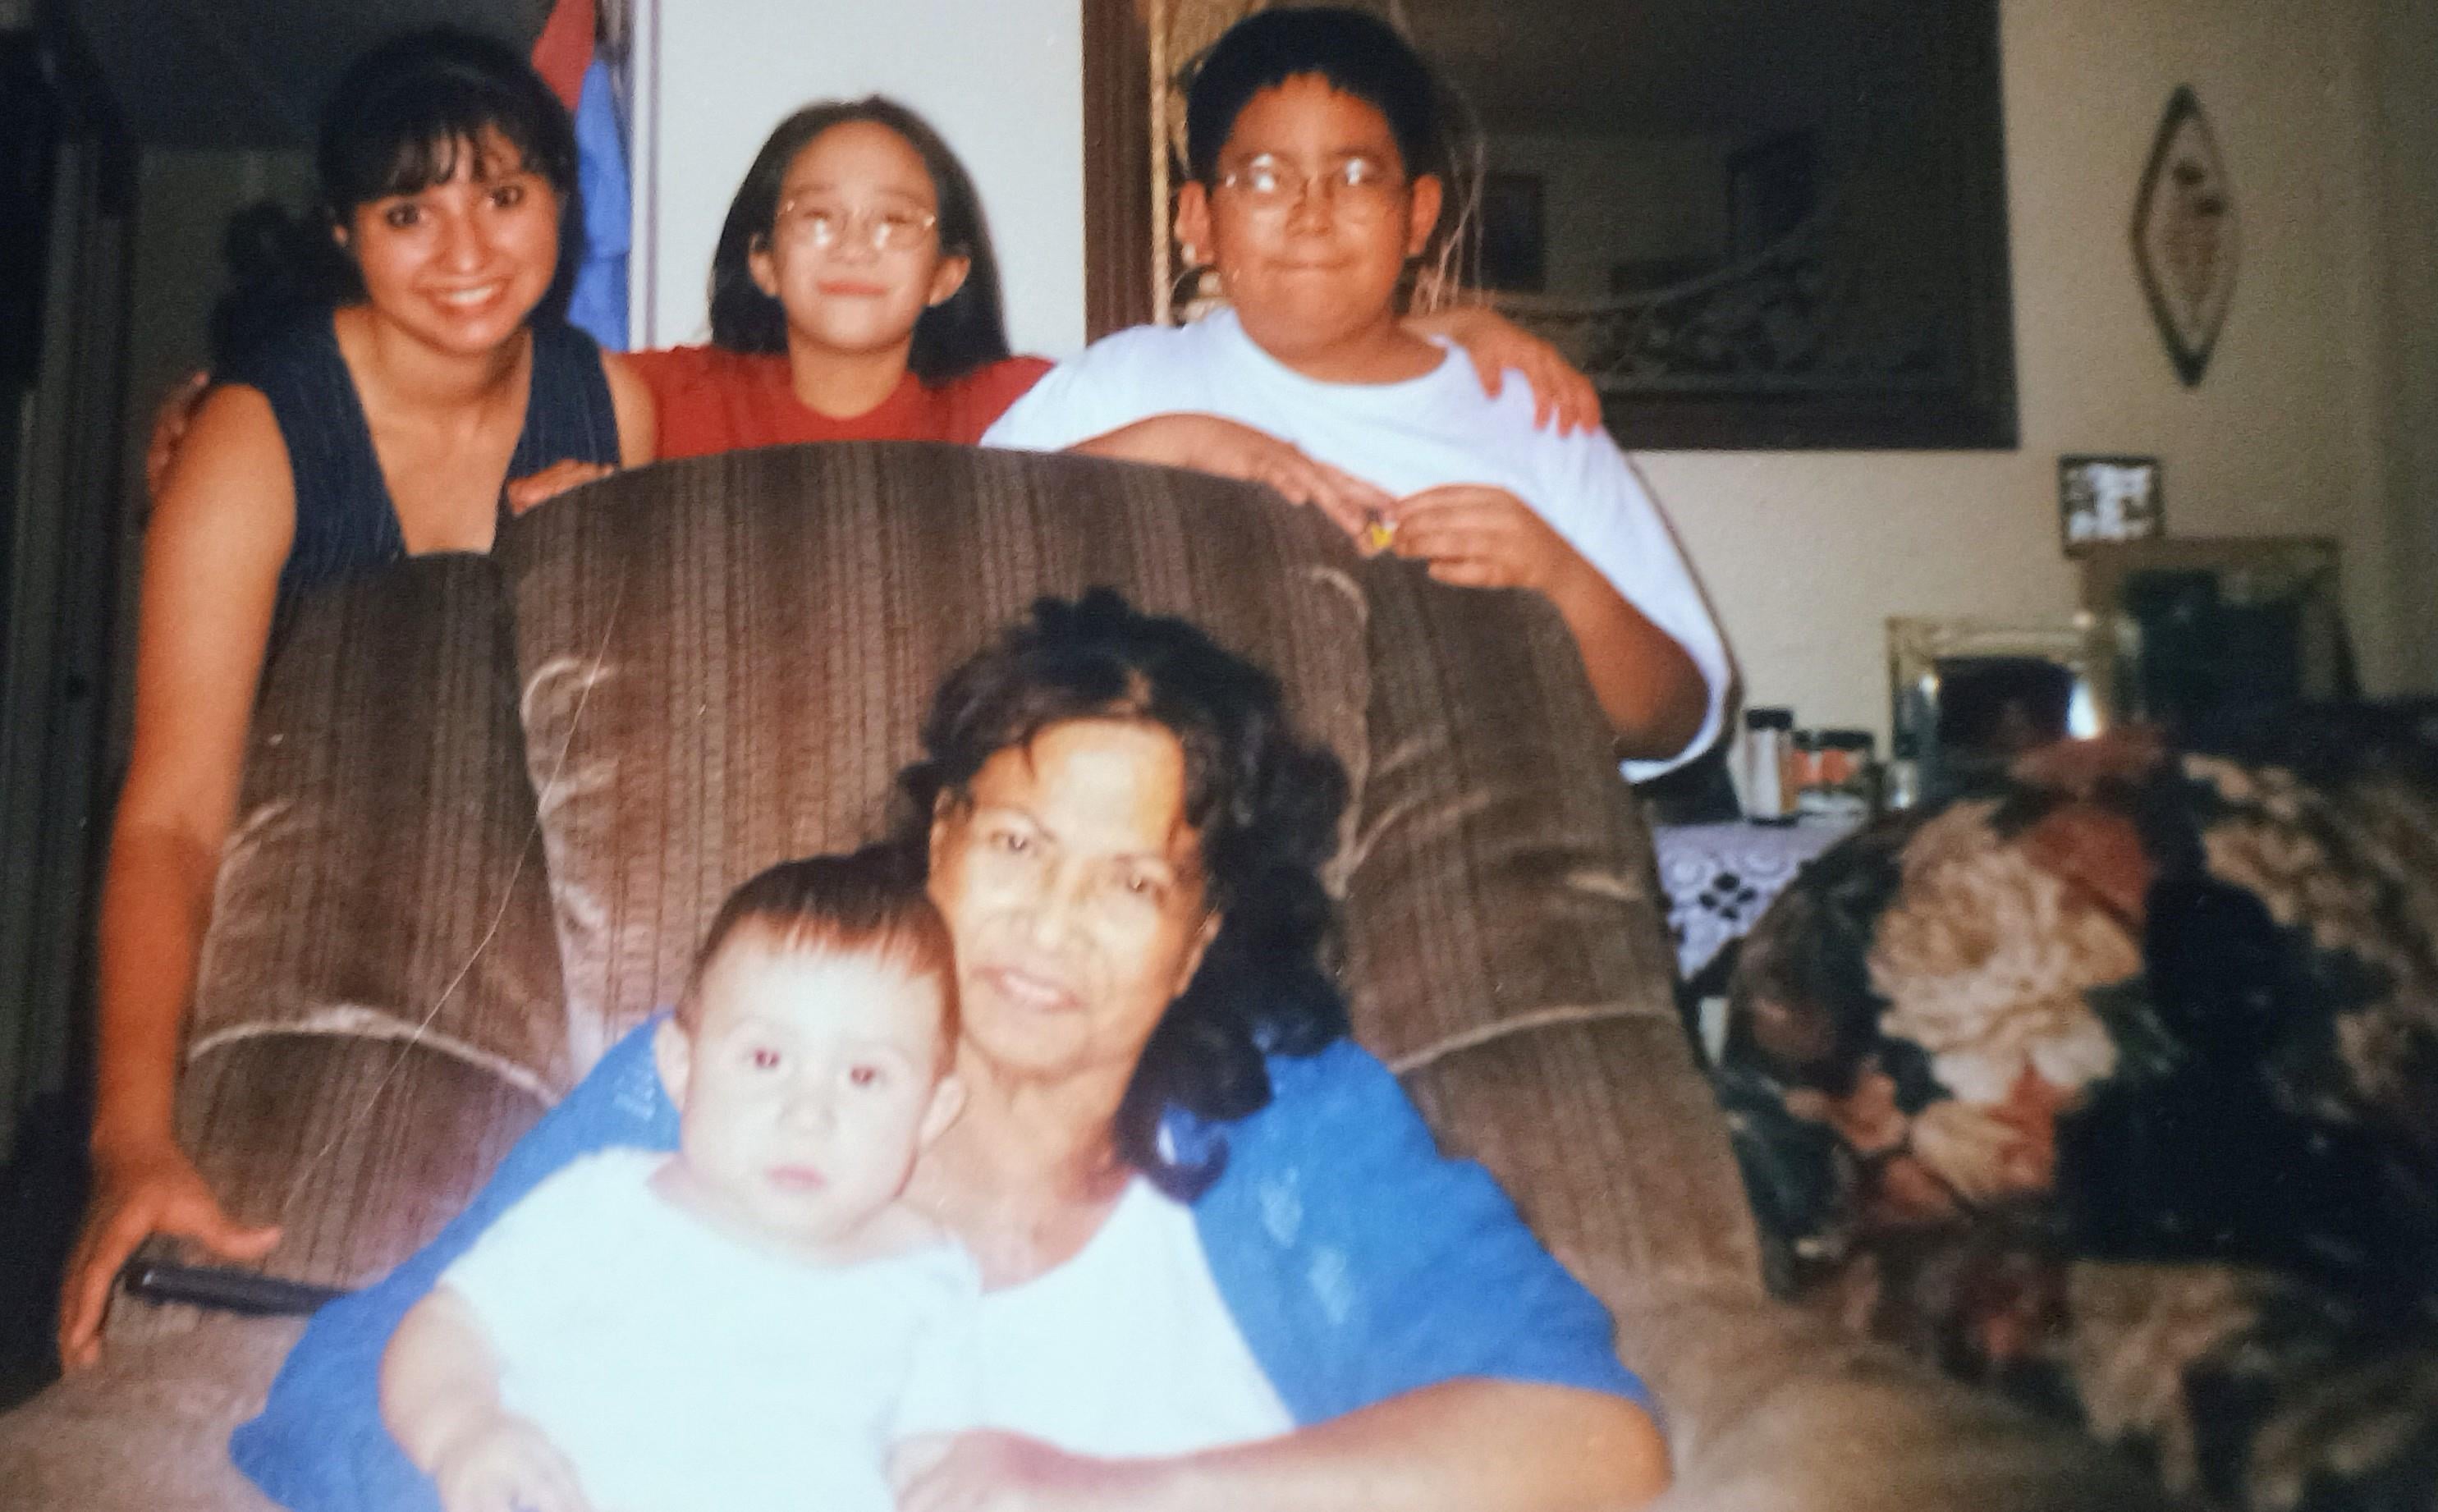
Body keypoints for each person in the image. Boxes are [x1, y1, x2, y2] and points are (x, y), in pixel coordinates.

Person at [231, 589, 1670, 1512]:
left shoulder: (1291, 1122)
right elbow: (345, 1379)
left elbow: (1584, 1437)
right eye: (1019, 843)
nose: (1051, 921)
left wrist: (1102, 1493)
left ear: (1199, 933)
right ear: (938, 843)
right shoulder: (742, 1073)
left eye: (1130, 881)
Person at [57, 26, 658, 1371]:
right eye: (408, 210)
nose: (465, 250)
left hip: (517, 921)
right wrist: (131, 1141)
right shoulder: (251, 433)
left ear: (560, 202)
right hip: (279, 921)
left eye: (503, 196)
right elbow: (168, 817)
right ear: (346, 229)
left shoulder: (609, 405)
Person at [983, 7, 1730, 781]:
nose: (1312, 215)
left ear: (1419, 217)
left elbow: (1675, 723)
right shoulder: (1126, 383)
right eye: (1265, 178)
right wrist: (1173, 442)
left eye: (1356, 176)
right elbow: (961, 537)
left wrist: (1558, 577)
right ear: (1198, 220)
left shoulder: (1526, 412)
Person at [498, 96, 1603, 508]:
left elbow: (1252, 355)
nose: (853, 247)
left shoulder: (1022, 400)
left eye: (896, 221)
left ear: (948, 272)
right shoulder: (660, 392)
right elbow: (487, 369)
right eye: (815, 218)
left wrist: (1447, 326)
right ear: (762, 259)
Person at [381, 849, 978, 1512]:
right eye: (766, 1058)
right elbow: (448, 1326)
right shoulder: (604, 1207)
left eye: (864, 1076)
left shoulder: (932, 1275)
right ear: (681, 1067)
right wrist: (466, 1432)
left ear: (933, 1112)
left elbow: (936, 1458)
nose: (808, 1114)